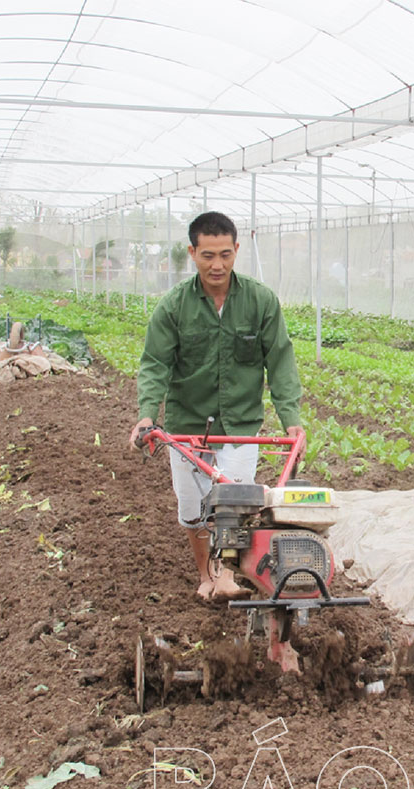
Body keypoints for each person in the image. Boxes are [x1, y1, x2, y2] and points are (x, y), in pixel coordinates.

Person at [129, 211, 304, 601]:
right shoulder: (174, 307)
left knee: (235, 504)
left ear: (236, 250)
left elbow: (280, 361)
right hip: (188, 423)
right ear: (192, 252)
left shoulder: (260, 301)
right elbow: (155, 364)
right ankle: (205, 574)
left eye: (225, 254)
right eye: (208, 255)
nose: (217, 264)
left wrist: (291, 419)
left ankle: (225, 575)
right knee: (193, 509)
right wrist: (146, 416)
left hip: (239, 424)